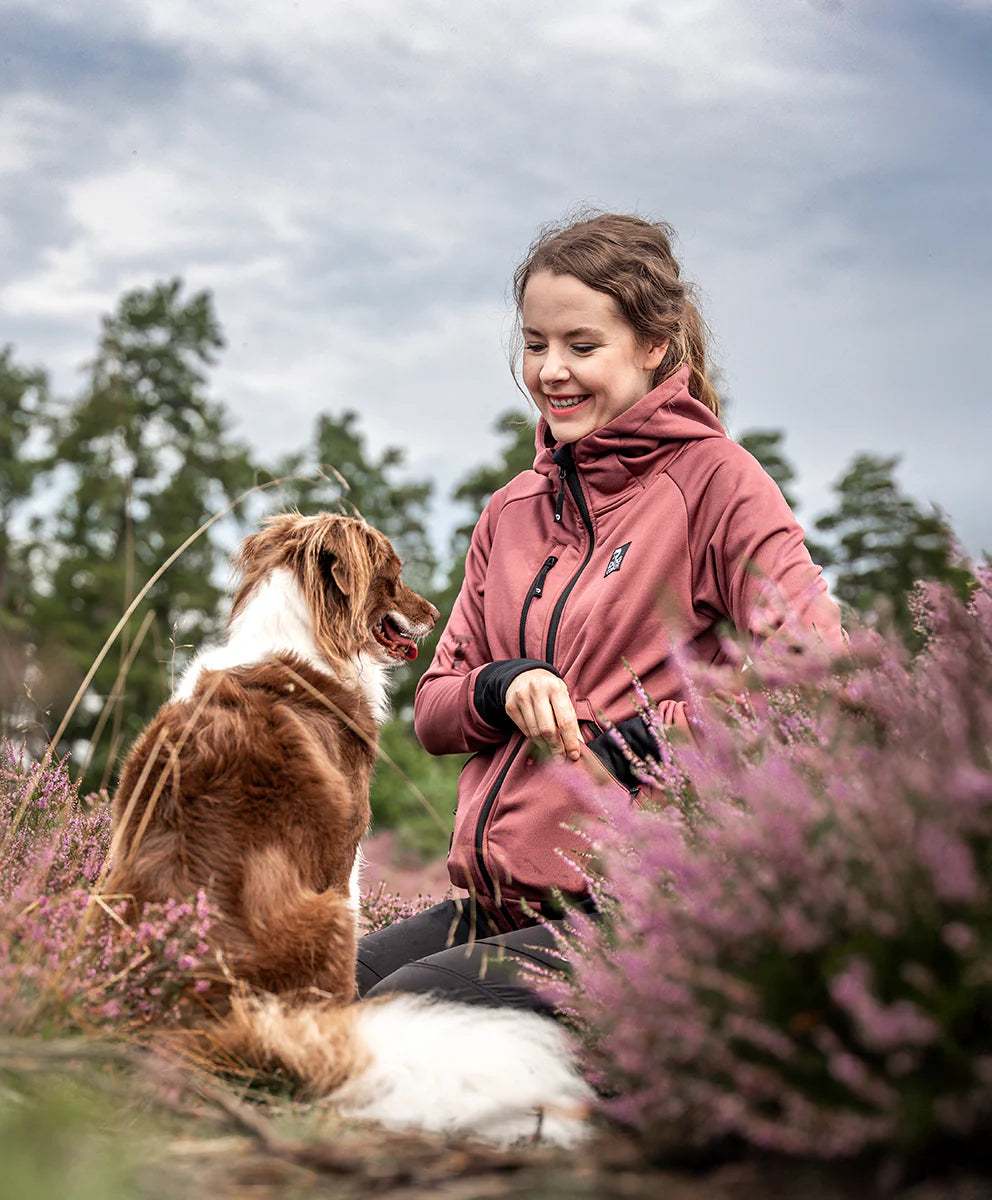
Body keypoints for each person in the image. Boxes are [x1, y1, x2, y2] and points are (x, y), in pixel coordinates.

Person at [356, 211, 844, 1013]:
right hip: (500, 910)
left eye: (583, 346)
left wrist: (637, 748)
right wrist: (501, 686)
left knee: (399, 1019)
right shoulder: (510, 510)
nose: (552, 371)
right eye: (536, 343)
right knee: (301, 995)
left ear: (654, 346)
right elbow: (436, 711)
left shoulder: (715, 482)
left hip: (640, 916)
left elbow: (821, 677)